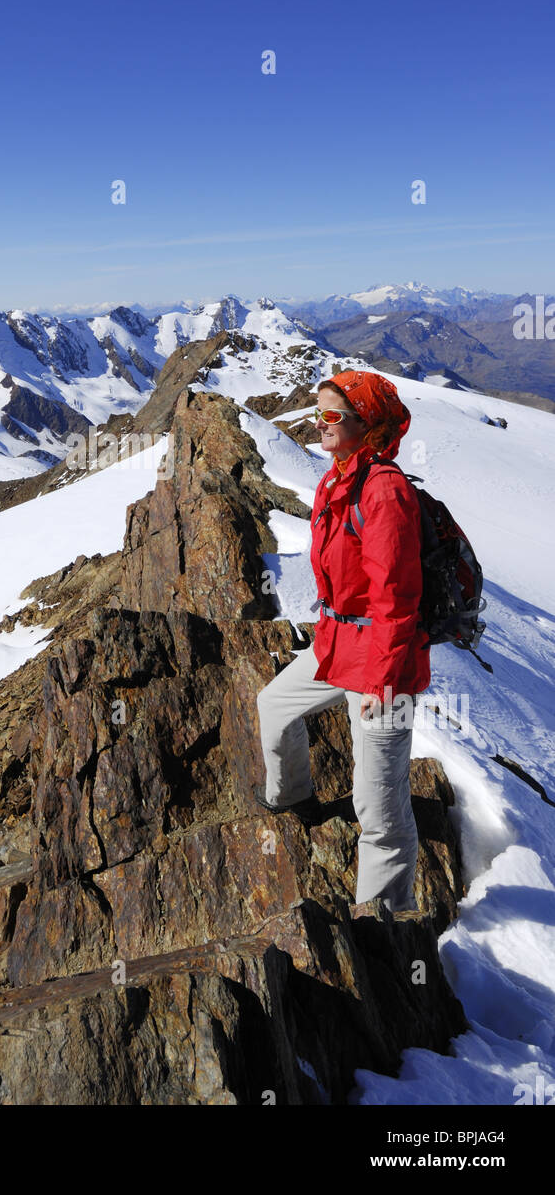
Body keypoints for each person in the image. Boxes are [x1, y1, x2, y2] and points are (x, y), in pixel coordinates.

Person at [253, 369, 431, 914]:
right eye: (319, 413)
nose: (320, 424)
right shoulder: (337, 480)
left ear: (367, 425)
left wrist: (384, 680)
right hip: (337, 644)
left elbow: (396, 598)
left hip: (383, 664)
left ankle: (387, 921)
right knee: (273, 706)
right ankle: (293, 798)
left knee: (377, 810)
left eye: (333, 416)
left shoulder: (385, 491)